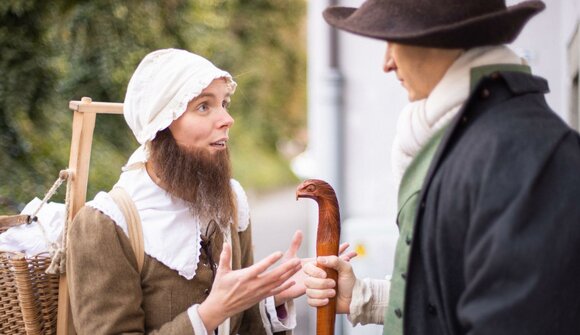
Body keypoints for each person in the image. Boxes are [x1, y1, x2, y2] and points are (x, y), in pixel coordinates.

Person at [304, 1, 580, 334]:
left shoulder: (525, 149)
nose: (386, 63)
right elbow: (454, 291)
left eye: (394, 42)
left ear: (440, 40)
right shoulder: (472, 130)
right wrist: (365, 297)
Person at [67, 49, 303, 334]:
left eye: (224, 103)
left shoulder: (229, 200)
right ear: (161, 125)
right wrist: (207, 316)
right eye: (204, 106)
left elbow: (241, 320)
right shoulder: (107, 224)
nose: (227, 119)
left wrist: (276, 294)